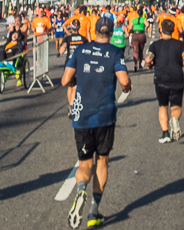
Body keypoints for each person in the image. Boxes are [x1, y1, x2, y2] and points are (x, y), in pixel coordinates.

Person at [61, 15, 131, 229]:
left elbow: (65, 80)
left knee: (84, 164)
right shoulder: (115, 52)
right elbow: (125, 81)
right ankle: (94, 210)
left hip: (81, 114)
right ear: (111, 33)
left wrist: (78, 79)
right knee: (102, 161)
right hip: (104, 115)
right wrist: (127, 89)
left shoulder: (81, 50)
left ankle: (80, 189)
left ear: (94, 32)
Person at [145, 18, 184, 143]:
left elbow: (148, 60)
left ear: (161, 30)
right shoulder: (179, 44)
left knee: (162, 106)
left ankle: (165, 133)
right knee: (176, 106)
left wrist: (150, 66)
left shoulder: (155, 45)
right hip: (177, 79)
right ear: (172, 31)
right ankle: (174, 119)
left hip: (161, 80)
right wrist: (180, 64)